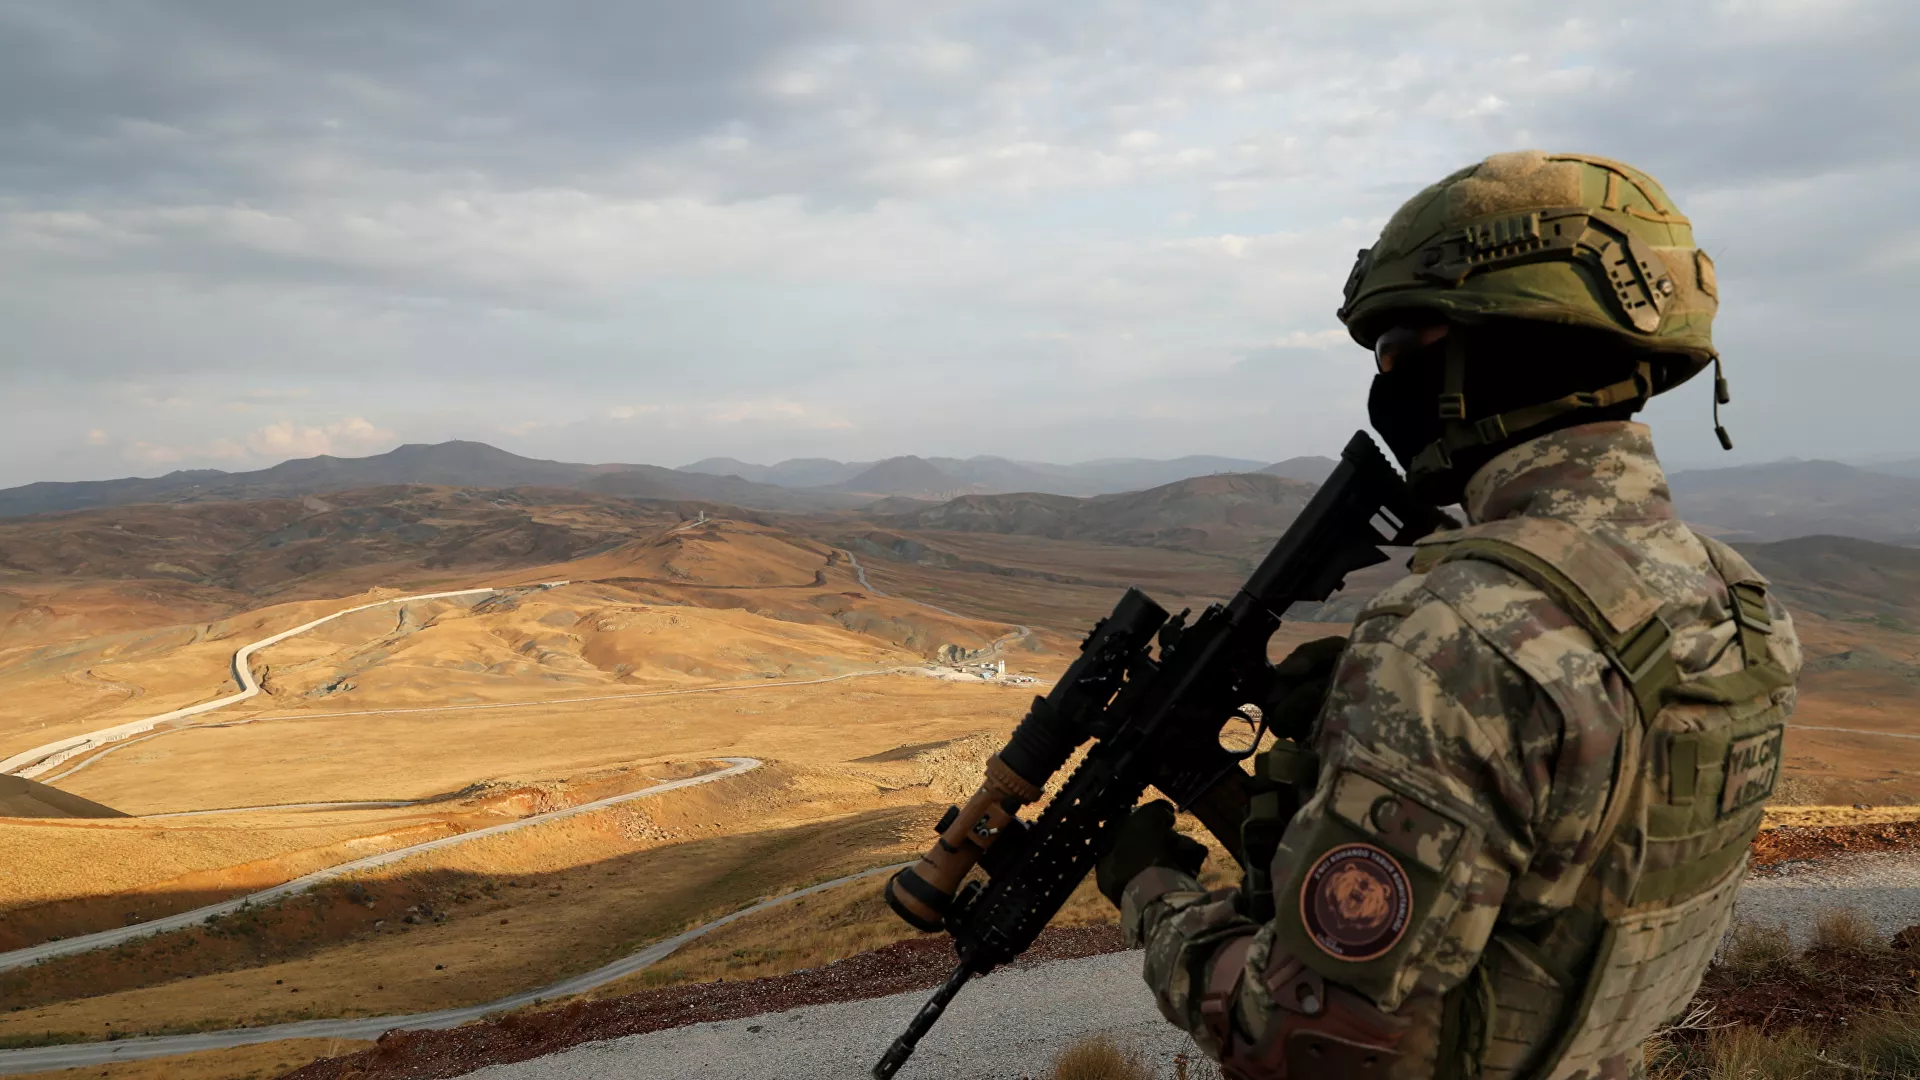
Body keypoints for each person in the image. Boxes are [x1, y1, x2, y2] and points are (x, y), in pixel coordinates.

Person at [1094, 151, 1802, 1080]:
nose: (1388, 383)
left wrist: (1151, 890)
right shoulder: (1738, 600)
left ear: (1499, 346)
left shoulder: (1453, 639)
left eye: (1398, 350)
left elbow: (1297, 1040)